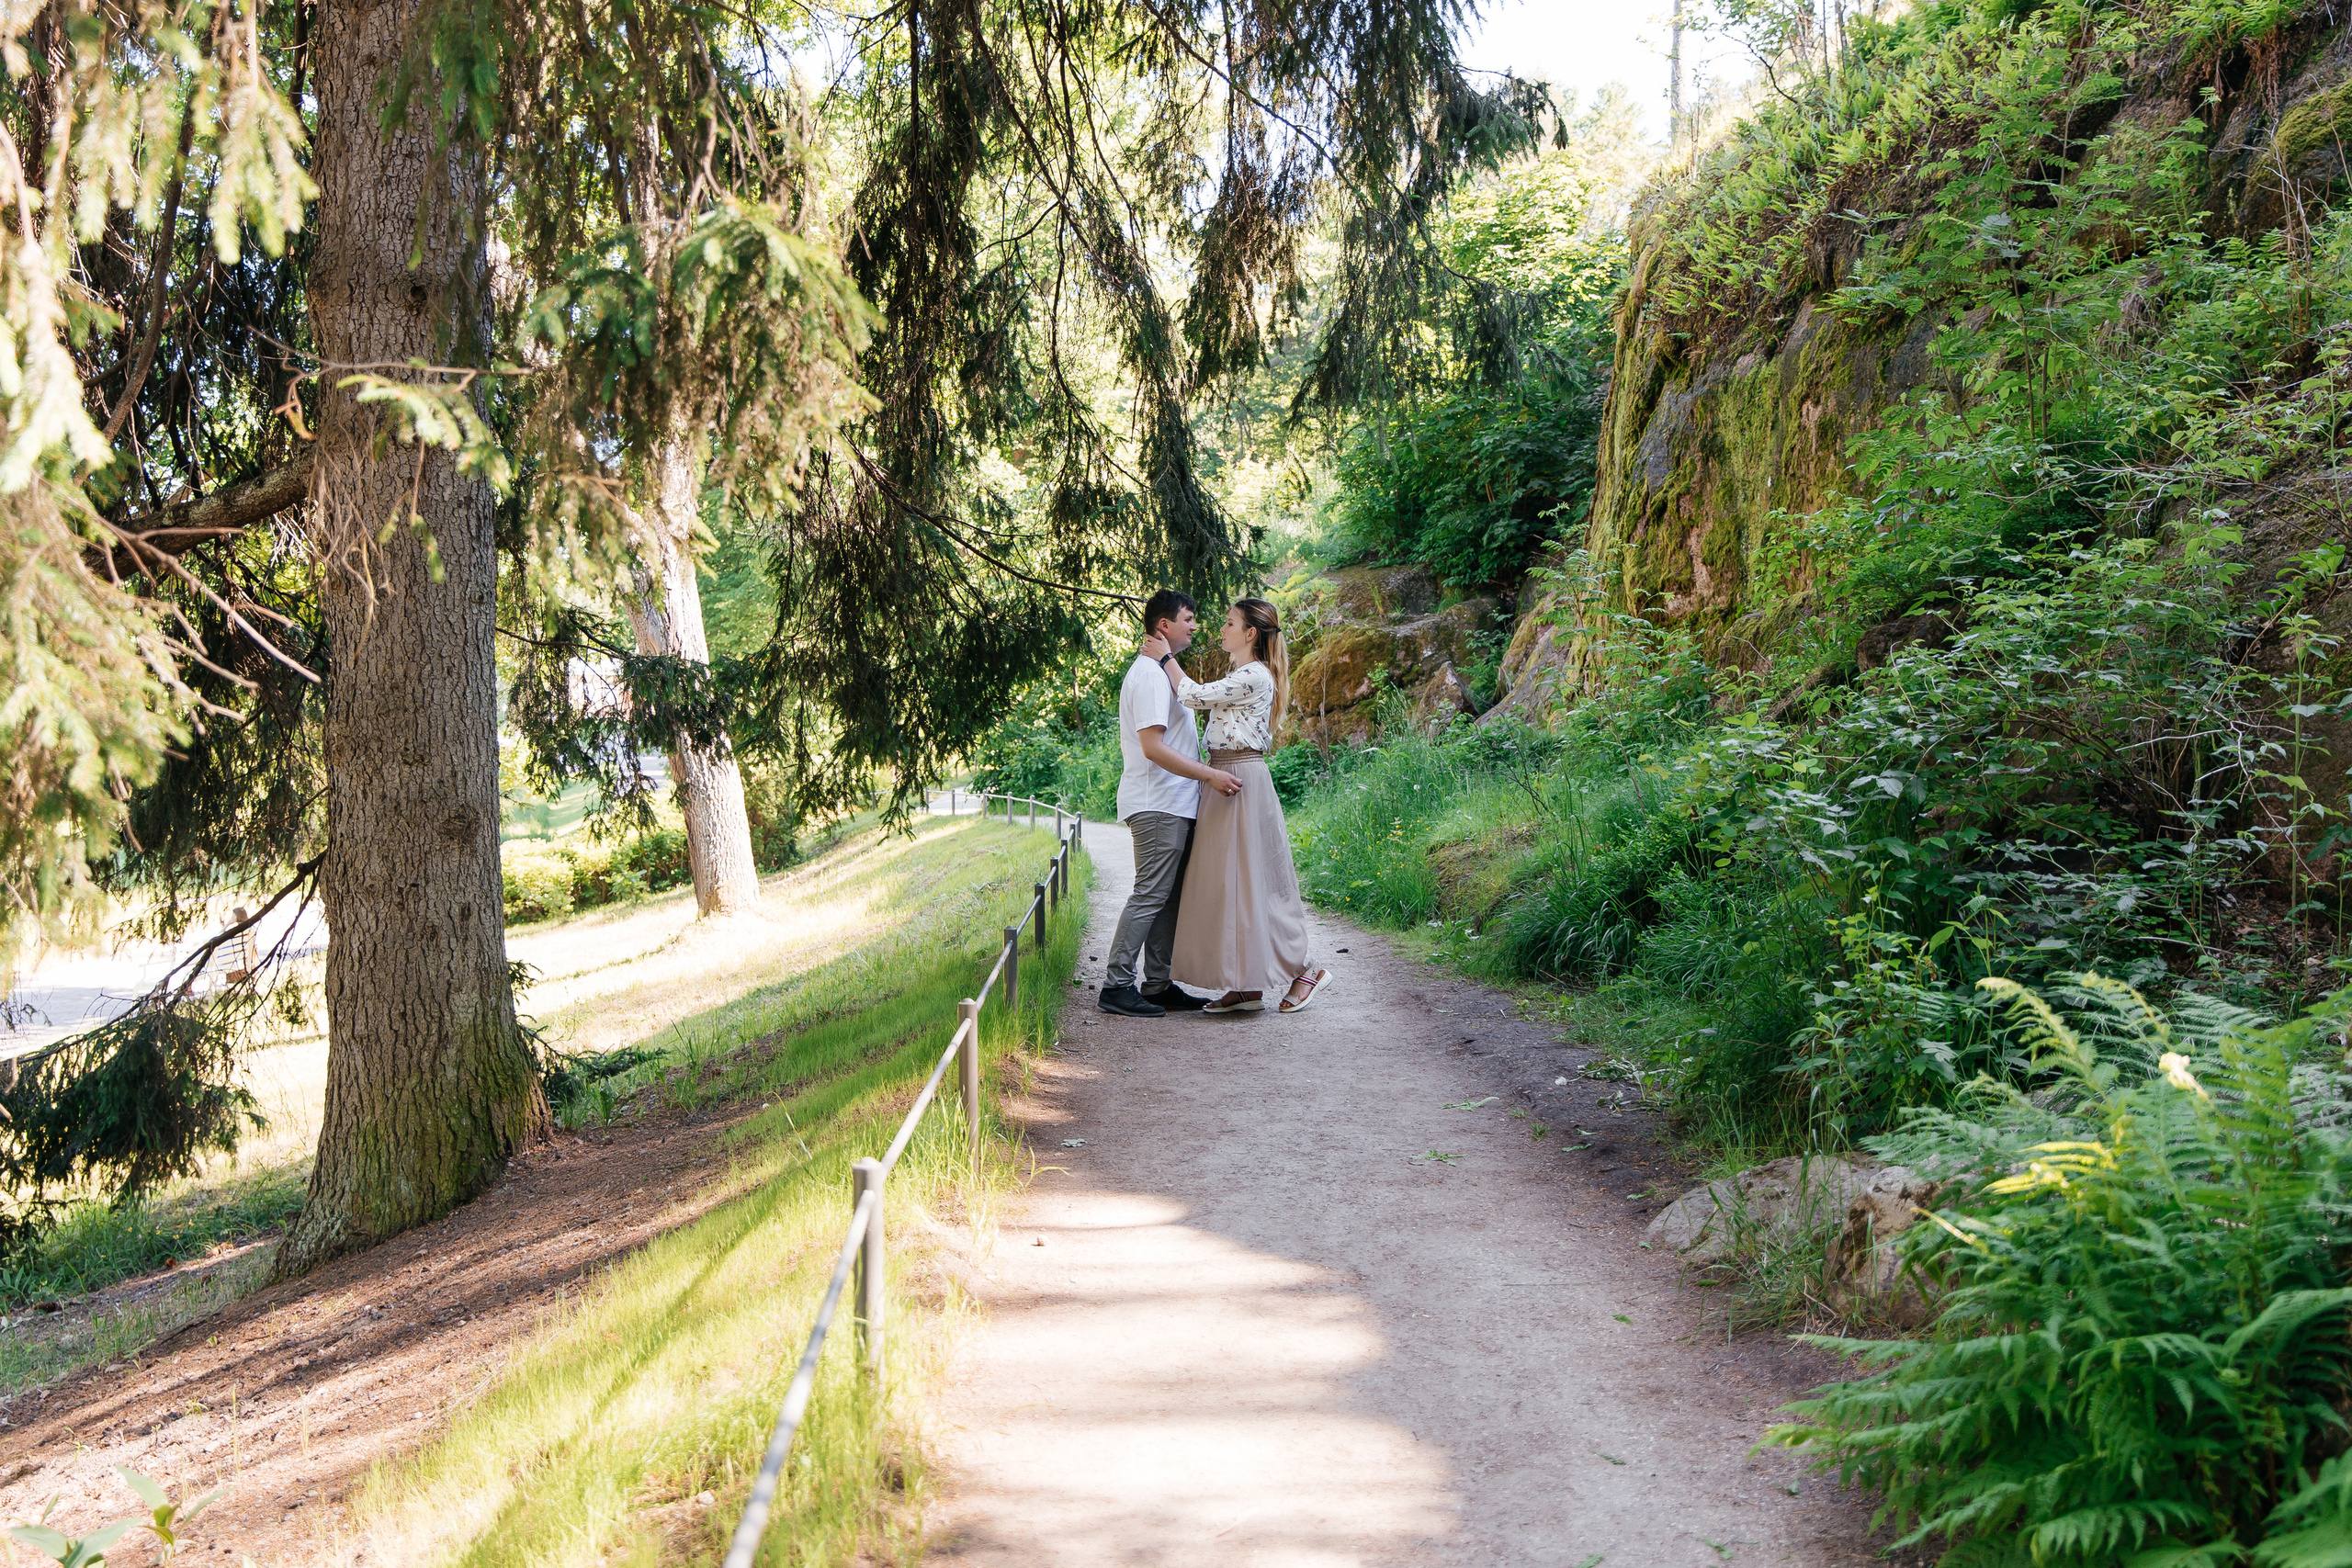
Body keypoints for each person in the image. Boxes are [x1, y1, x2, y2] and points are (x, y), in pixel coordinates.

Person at [1141, 599, 1335, 1014]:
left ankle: (1307, 969)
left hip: (1242, 780)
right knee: (1229, 888)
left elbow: (1193, 695)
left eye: (1229, 623)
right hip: (1223, 780)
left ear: (1250, 634)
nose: (1220, 630)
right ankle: (1247, 984)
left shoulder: (1254, 675)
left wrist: (1166, 657)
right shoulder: (1242, 674)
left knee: (1258, 883)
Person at [1098, 590, 1246, 1018]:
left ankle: (1158, 984)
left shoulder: (1162, 672)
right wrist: (1212, 776)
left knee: (1169, 897)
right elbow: (1153, 748)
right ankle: (1116, 985)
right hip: (1157, 803)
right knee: (1149, 894)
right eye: (1188, 618)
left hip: (1176, 803)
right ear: (1164, 625)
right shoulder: (1147, 676)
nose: (1195, 625)